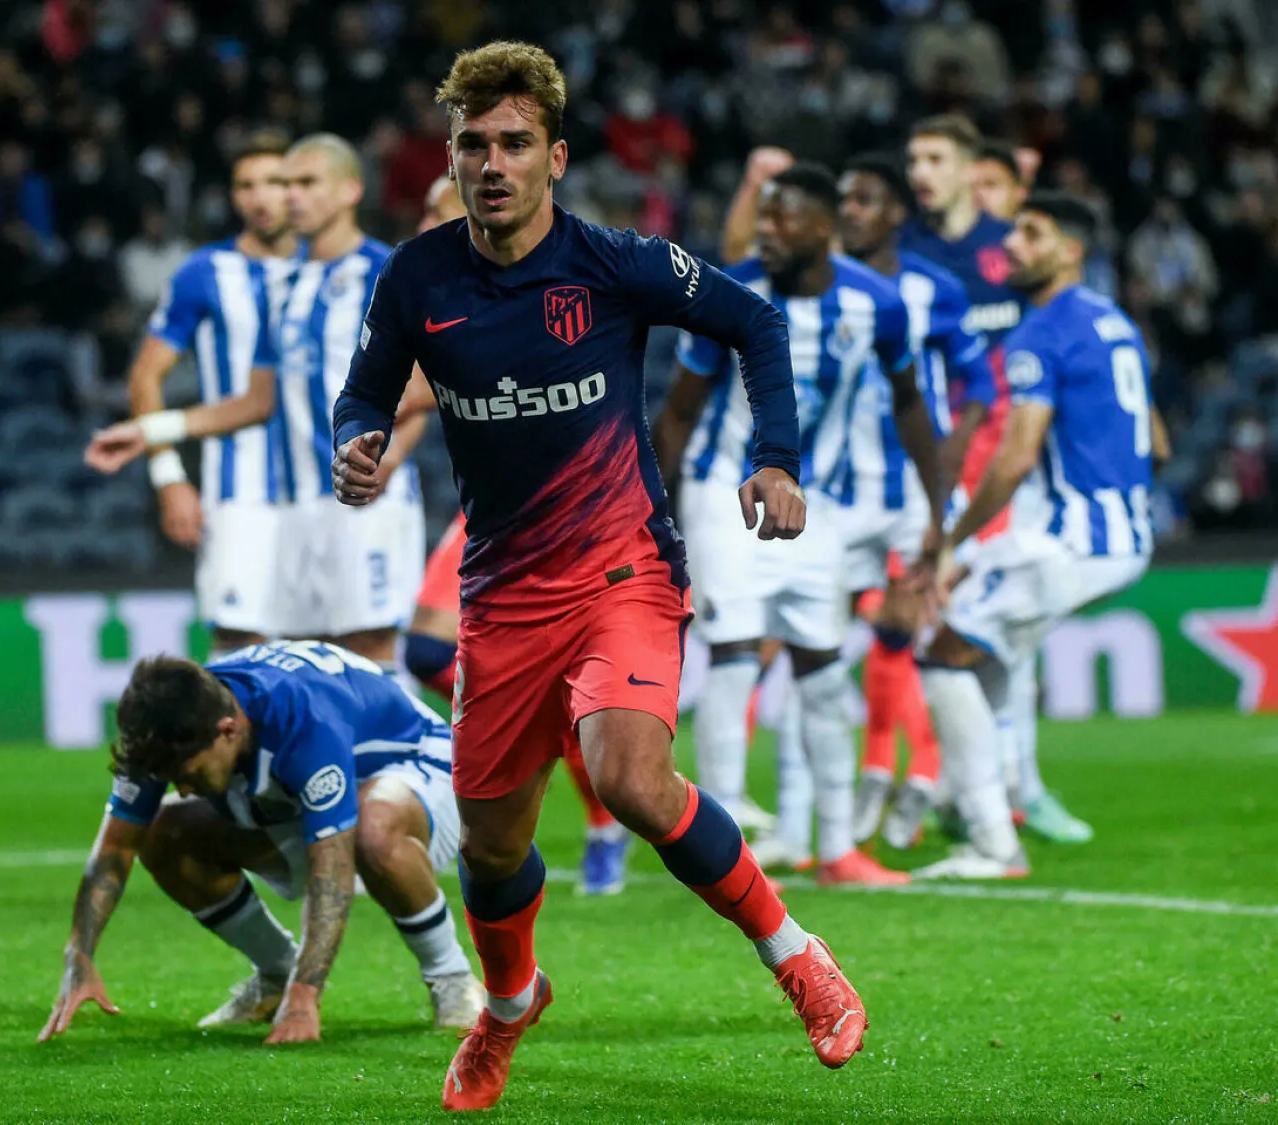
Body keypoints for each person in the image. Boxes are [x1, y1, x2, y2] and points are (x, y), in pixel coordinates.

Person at [332, 42, 865, 1112]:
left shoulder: (615, 262)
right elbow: (365, 394)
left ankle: (796, 953)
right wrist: (357, 443)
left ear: (556, 157)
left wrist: (775, 459)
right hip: (503, 590)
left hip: (622, 565)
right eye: (473, 144)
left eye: (514, 144)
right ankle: (512, 1000)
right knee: (491, 845)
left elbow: (755, 321)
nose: (492, 163)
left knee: (629, 779)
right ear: (451, 154)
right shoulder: (418, 276)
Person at [653, 162, 939, 887]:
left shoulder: (878, 304)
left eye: (785, 218)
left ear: (824, 228)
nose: (768, 230)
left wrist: (938, 509)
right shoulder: (728, 292)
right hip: (726, 490)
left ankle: (839, 847)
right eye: (766, 217)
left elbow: (909, 402)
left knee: (820, 668)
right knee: (734, 646)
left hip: (822, 507)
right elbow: (681, 409)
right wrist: (654, 509)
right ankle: (725, 849)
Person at [36, 641, 484, 1044]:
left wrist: (306, 998)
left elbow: (332, 867)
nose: (186, 789)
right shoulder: (173, 726)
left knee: (371, 829)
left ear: (229, 730)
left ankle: (452, 977)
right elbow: (116, 848)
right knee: (161, 830)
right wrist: (80, 953)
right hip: (298, 793)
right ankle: (275, 973)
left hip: (419, 769)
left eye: (189, 775)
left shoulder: (300, 719)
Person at [916, 193, 1154, 879]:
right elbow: (1156, 435)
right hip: (1122, 529)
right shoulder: (1114, 321)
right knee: (984, 654)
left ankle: (993, 838)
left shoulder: (1040, 333)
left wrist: (952, 539)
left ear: (1069, 250)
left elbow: (1016, 458)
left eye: (1031, 233)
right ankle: (986, 805)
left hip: (1074, 537)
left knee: (942, 653)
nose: (1010, 247)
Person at [399, 180, 627, 896]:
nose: (429, 223)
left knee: (432, 650)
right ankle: (588, 792)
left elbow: (416, 387)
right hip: (487, 497)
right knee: (428, 649)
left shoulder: (528, 289)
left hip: (552, 503)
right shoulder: (436, 286)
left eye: (440, 211)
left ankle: (603, 817)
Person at [901, 116, 1095, 844]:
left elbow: (1058, 334)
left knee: (1005, 633)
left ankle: (1015, 786)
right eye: (915, 158)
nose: (923, 172)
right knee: (935, 627)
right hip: (933, 464)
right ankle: (945, 784)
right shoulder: (908, 252)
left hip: (1012, 468)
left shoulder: (1007, 250)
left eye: (936, 158)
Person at [835, 152, 997, 849]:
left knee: (917, 629)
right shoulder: (821, 285)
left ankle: (919, 774)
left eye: (865, 199)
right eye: (843, 198)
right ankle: (878, 767)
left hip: (915, 489)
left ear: (897, 214)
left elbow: (976, 387)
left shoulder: (936, 288)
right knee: (867, 632)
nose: (848, 210)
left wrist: (949, 462)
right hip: (843, 490)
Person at [84, 133, 296, 654]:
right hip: (237, 492)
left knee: (339, 651)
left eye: (274, 181)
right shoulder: (204, 273)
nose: (259, 197)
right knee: (240, 651)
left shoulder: (339, 267)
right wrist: (169, 478)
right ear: (232, 196)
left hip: (330, 491)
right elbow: (144, 376)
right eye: (246, 185)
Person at [271, 133, 427, 665]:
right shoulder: (283, 280)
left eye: (307, 183)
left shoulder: (386, 270)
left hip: (365, 496)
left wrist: (392, 455)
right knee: (300, 658)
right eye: (285, 184)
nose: (291, 196)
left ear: (349, 191)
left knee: (369, 649)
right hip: (295, 499)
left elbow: (427, 382)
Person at [969, 140, 1030, 224]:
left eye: (990, 184)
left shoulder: (1038, 234)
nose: (978, 193)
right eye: (970, 187)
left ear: (1020, 192)